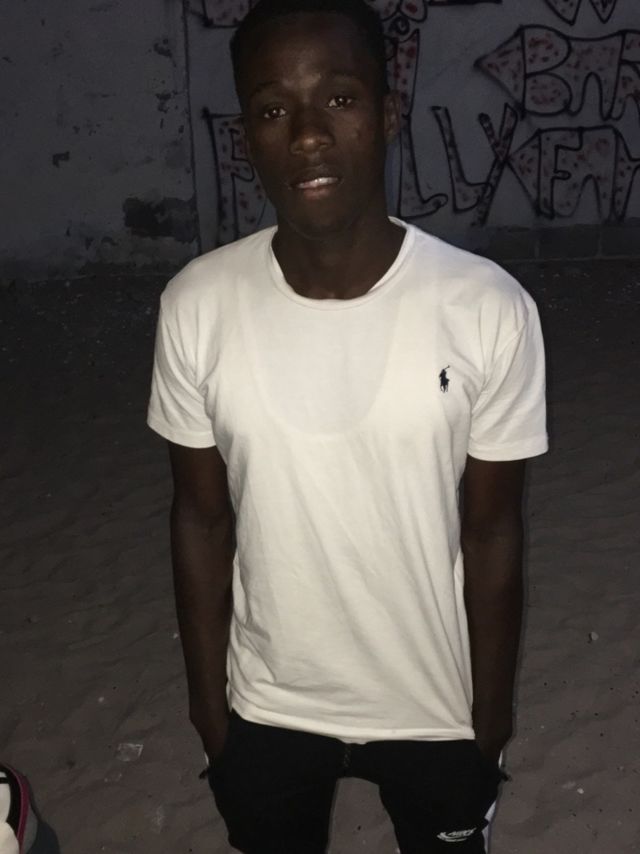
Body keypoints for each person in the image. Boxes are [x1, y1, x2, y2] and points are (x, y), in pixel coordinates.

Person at [147, 0, 548, 851]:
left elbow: (492, 531)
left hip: (436, 710)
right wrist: (210, 714)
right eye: (272, 109)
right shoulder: (197, 306)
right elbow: (200, 518)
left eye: (338, 98)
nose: (307, 135)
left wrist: (489, 725)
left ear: (388, 111)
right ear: (245, 136)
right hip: (266, 708)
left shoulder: (486, 307)